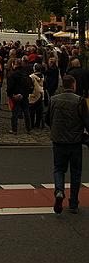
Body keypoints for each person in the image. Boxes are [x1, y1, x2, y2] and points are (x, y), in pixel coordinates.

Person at [46, 75, 89, 214]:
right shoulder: (79, 101)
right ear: (74, 85)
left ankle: (59, 190)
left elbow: (47, 119)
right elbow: (86, 121)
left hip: (58, 141)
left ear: (63, 85)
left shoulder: (53, 100)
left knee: (59, 169)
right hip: (75, 142)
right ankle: (74, 203)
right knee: (76, 173)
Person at [7, 58, 33, 135]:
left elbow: (10, 87)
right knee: (26, 113)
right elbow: (29, 85)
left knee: (15, 113)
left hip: (16, 96)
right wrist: (25, 94)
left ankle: (14, 129)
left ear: (15, 64)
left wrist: (10, 95)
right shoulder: (25, 73)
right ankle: (28, 129)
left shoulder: (13, 74)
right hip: (24, 96)